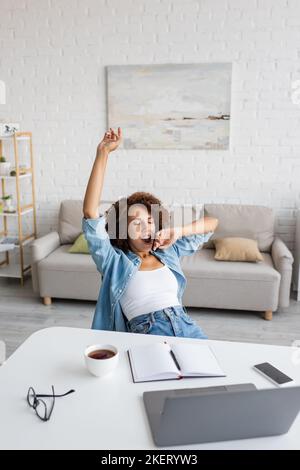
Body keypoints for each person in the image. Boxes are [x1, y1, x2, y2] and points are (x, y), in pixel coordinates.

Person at [82, 127, 218, 338]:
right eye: (136, 223)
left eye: (149, 221)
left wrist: (179, 231)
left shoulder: (167, 251)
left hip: (187, 327)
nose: (146, 228)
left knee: (211, 370)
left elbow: (212, 222)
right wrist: (103, 153)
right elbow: (91, 212)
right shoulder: (114, 262)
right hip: (149, 332)